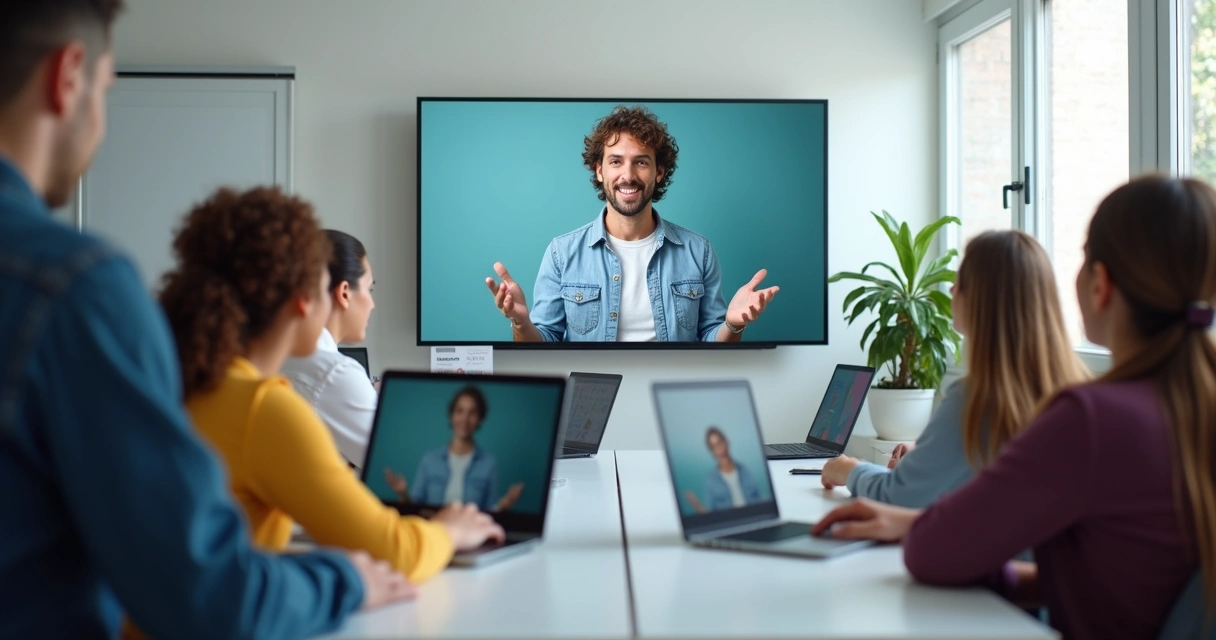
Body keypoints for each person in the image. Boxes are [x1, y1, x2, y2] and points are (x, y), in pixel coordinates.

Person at [0, 2, 414, 638]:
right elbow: (208, 598)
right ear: (68, 75)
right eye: (108, 91)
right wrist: (347, 578)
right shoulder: (76, 287)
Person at [813, 176, 1216, 640]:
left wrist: (935, 533)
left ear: (1100, 284)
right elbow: (1129, 584)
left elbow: (930, 553)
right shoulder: (1184, 408)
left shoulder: (1093, 419)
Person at [159, 186, 506, 585]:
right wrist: (452, 530)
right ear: (305, 299)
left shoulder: (193, 380)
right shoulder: (266, 407)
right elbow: (396, 552)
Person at [819, 231, 1089, 508]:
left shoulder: (977, 398)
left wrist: (849, 470)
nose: (951, 290)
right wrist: (929, 456)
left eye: (960, 281)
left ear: (983, 300)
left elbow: (897, 495)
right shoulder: (1080, 393)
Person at [485, 105, 779, 342]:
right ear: (599, 171)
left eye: (641, 161)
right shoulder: (561, 254)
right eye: (615, 162)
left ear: (659, 172)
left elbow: (712, 342)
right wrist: (521, 323)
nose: (628, 175)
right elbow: (543, 345)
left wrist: (733, 325)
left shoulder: (697, 251)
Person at [282, 229, 378, 469]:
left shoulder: (280, 355)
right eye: (369, 290)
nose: (372, 304)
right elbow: (397, 466)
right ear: (344, 292)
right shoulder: (333, 372)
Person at [384, 386, 525, 512]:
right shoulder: (429, 460)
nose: (465, 419)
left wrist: (504, 505)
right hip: (433, 532)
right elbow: (416, 507)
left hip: (470, 536)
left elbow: (488, 514)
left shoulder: (489, 463)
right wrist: (403, 494)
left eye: (472, 412)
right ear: (452, 415)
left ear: (480, 418)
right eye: (460, 411)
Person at [684, 427, 763, 513]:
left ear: (726, 442)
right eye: (714, 446)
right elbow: (712, 516)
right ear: (712, 451)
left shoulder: (744, 471)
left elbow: (759, 500)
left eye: (720, 443)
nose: (719, 449)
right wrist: (697, 505)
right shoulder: (711, 480)